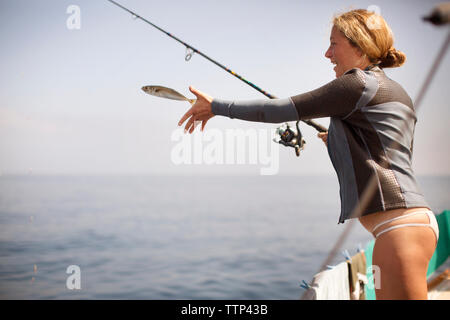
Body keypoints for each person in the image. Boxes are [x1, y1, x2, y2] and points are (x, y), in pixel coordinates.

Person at [177, 9, 439, 300]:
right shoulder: (396, 91)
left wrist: (216, 107)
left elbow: (279, 110)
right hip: (411, 224)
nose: (328, 54)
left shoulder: (358, 84)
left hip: (399, 229)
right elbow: (384, 153)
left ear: (359, 45)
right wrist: (340, 143)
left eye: (334, 44)